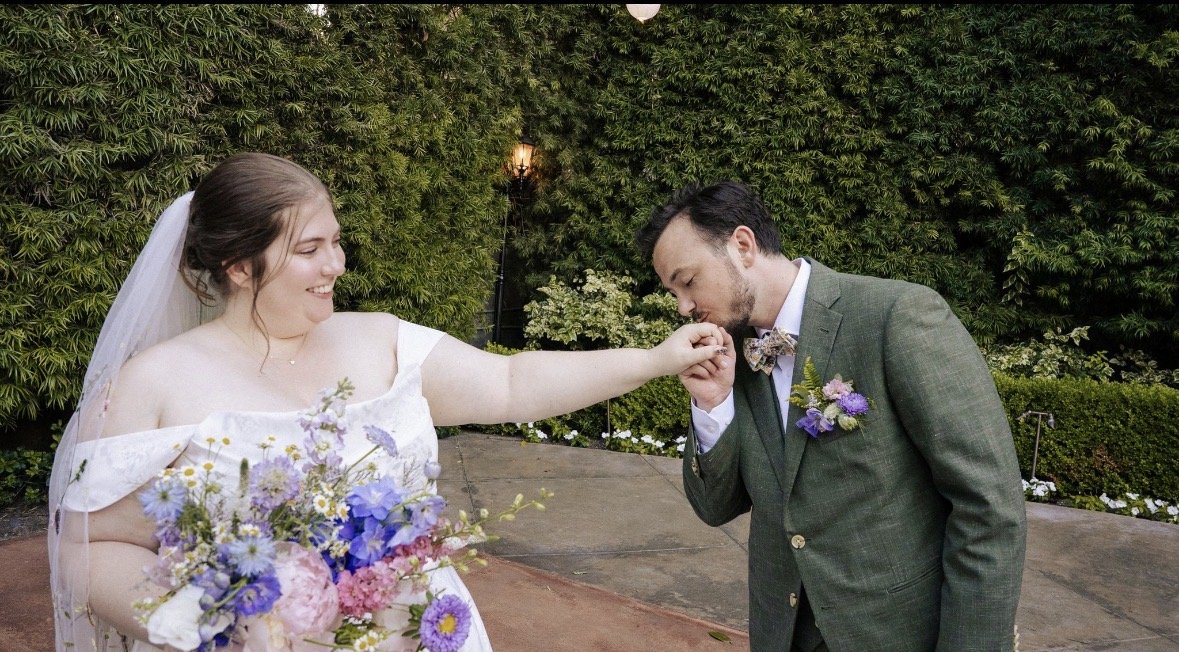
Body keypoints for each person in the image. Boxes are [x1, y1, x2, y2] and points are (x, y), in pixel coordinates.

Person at [46, 152, 728, 652]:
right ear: (238, 267)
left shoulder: (381, 341)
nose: (336, 264)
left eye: (335, 241)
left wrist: (654, 361)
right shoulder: (154, 382)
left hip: (424, 633)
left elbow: (513, 382)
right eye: (310, 249)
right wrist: (216, 623)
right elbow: (89, 546)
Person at [635, 180, 1027, 651]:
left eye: (687, 281)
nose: (683, 307)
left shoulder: (896, 315)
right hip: (782, 633)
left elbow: (988, 506)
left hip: (896, 634)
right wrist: (712, 406)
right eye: (673, 291)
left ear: (742, 246)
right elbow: (715, 507)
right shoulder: (729, 354)